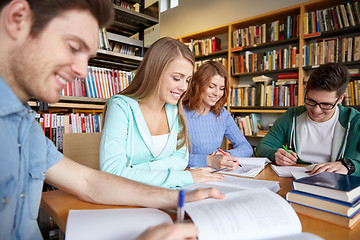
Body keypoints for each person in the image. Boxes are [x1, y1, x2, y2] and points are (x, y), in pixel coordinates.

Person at [0, 1, 224, 239]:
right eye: (73, 46)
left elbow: (89, 182)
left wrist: (178, 198)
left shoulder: (27, 127)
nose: (83, 71)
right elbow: (111, 172)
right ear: (17, 19)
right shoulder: (123, 106)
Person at [99, 37, 223, 189]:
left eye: (187, 80)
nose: (183, 87)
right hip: (128, 200)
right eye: (177, 78)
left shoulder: (174, 110)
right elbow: (112, 172)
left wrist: (135, 171)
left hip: (163, 193)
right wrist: (183, 176)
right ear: (155, 72)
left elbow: (181, 159)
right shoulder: (120, 107)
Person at [256, 63, 360, 176]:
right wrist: (275, 154)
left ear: (340, 99)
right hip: (295, 180)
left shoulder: (355, 121)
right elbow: (262, 148)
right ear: (306, 90)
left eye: (326, 104)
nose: (316, 110)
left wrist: (349, 166)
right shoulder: (291, 116)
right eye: (311, 101)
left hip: (337, 186)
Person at [182, 61, 253, 170]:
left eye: (221, 88)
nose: (217, 93)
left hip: (216, 174)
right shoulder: (181, 112)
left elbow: (246, 147)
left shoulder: (222, 114)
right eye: (211, 86)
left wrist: (225, 155)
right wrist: (210, 160)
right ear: (198, 84)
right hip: (189, 174)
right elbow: (173, 158)